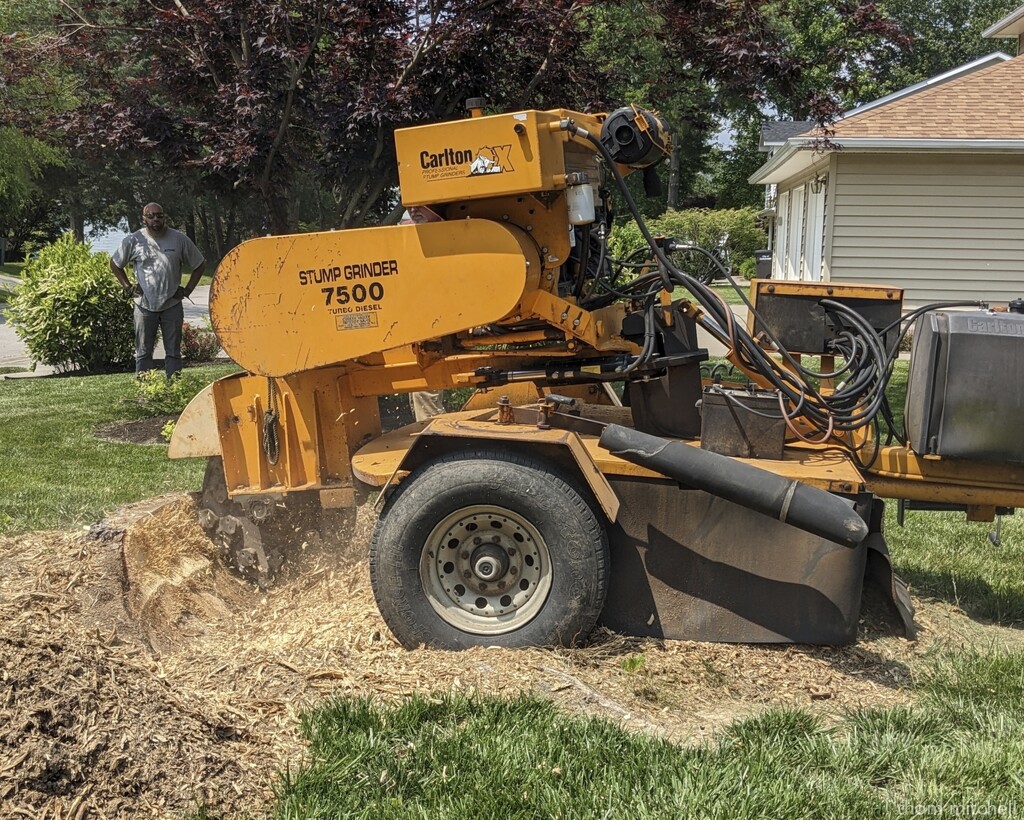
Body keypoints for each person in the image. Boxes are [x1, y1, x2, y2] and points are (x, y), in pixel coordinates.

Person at [110, 202, 206, 378]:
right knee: (144, 352)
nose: (156, 219)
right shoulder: (134, 240)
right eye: (151, 215)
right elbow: (115, 264)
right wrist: (128, 287)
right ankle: (145, 391)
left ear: (164, 217)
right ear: (144, 218)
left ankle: (174, 389)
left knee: (173, 352)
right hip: (144, 305)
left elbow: (199, 264)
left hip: (172, 304)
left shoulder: (179, 239)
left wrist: (188, 290)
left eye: (159, 215)